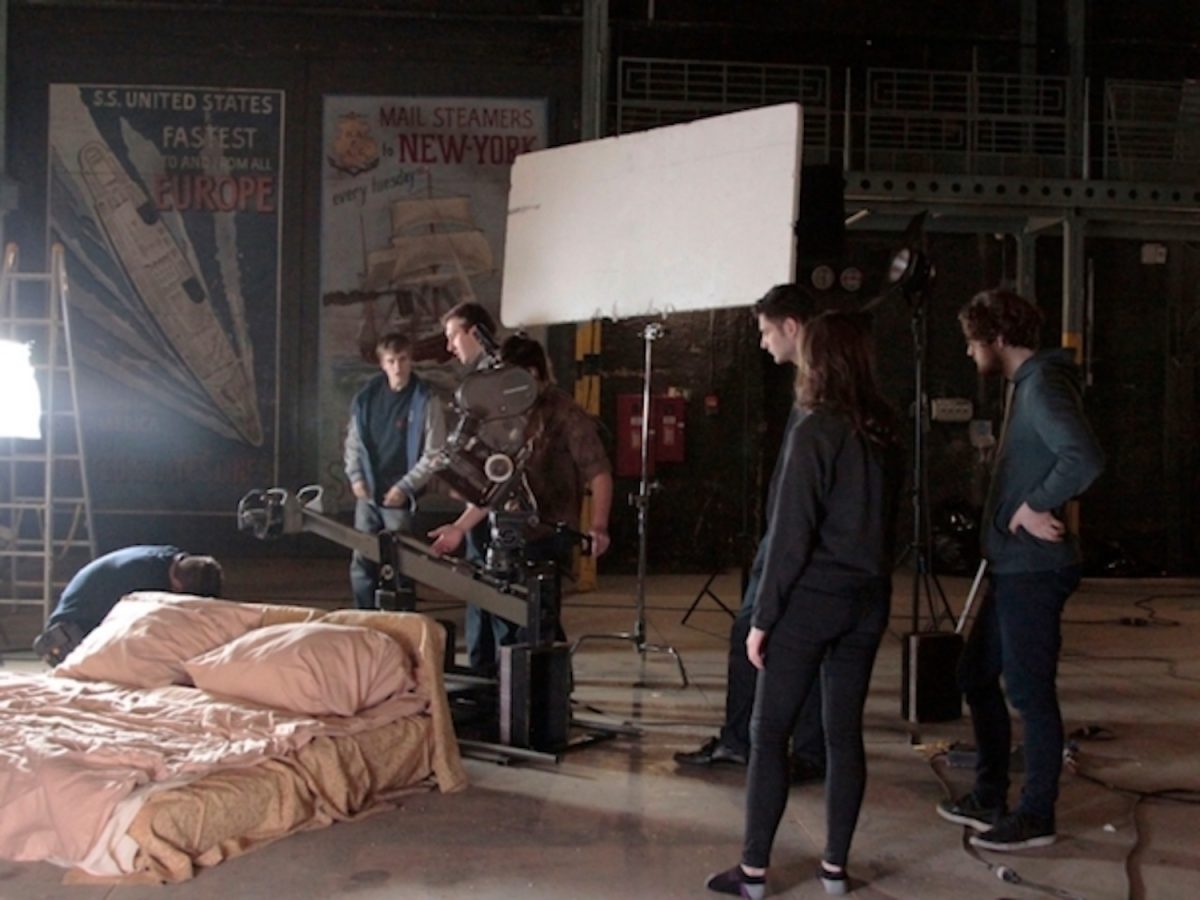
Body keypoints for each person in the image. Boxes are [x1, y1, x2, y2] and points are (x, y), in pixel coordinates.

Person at [706, 311, 903, 898]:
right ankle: (836, 871)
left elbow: (789, 535)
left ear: (817, 359)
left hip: (809, 603)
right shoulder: (886, 428)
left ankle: (755, 874)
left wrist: (762, 618)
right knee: (844, 734)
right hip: (868, 601)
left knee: (770, 736)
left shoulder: (814, 427)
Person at [936, 289, 1104, 851]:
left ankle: (1037, 815)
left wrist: (1034, 505)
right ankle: (988, 794)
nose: (968, 353)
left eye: (972, 342)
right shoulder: (1027, 385)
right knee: (975, 676)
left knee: (1030, 694)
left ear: (998, 339)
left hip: (1034, 570)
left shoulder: (1043, 387)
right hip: (1013, 566)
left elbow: (1083, 456)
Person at [676, 283, 828, 785]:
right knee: (773, 640)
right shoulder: (816, 383)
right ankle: (762, 742)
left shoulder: (821, 392)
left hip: (796, 542)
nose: (763, 343)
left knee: (762, 635)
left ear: (791, 327)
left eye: (766, 332)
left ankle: (769, 745)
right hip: (791, 539)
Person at [429, 334, 613, 674]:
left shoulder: (565, 413)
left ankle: (550, 699)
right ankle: (510, 692)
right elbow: (498, 485)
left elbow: (599, 472)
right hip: (510, 530)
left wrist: (599, 526)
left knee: (540, 624)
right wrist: (459, 528)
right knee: (506, 619)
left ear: (530, 373)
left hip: (548, 532)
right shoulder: (507, 414)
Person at [344, 331, 447, 609]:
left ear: (411, 360)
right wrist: (356, 476)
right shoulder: (366, 398)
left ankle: (403, 619)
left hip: (400, 496)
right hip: (369, 493)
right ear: (382, 363)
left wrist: (405, 487)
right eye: (391, 361)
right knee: (362, 560)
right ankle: (364, 618)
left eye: (403, 359)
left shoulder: (425, 399)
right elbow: (354, 441)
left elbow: (435, 453)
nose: (398, 367)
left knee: (401, 562)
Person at [32, 545, 223, 665]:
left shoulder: (171, 560)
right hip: (68, 635)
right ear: (179, 587)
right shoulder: (145, 581)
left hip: (89, 621)